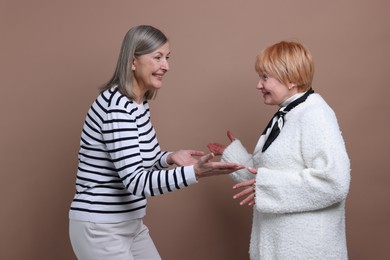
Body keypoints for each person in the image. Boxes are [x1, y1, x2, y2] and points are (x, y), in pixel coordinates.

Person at [69, 25, 243, 260]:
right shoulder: (117, 108)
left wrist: (169, 157)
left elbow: (142, 159)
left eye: (167, 58)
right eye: (158, 57)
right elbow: (136, 182)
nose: (166, 66)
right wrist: (195, 173)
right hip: (101, 227)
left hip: (129, 223)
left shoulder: (137, 104)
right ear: (133, 62)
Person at [208, 41, 351, 259]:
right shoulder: (288, 114)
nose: (258, 85)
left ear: (291, 79)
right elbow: (266, 177)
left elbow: (334, 182)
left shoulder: (315, 114)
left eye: (265, 77)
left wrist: (266, 186)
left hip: (308, 251)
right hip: (281, 248)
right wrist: (233, 155)